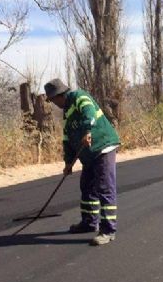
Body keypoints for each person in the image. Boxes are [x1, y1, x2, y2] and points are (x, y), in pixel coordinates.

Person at [44, 79, 120, 246]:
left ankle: (108, 230)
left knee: (104, 188)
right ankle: (89, 222)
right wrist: (68, 163)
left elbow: (89, 112)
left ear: (59, 95)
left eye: (53, 100)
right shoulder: (67, 114)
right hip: (89, 155)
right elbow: (67, 140)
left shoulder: (79, 96)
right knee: (86, 186)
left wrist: (87, 131)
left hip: (103, 146)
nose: (53, 104)